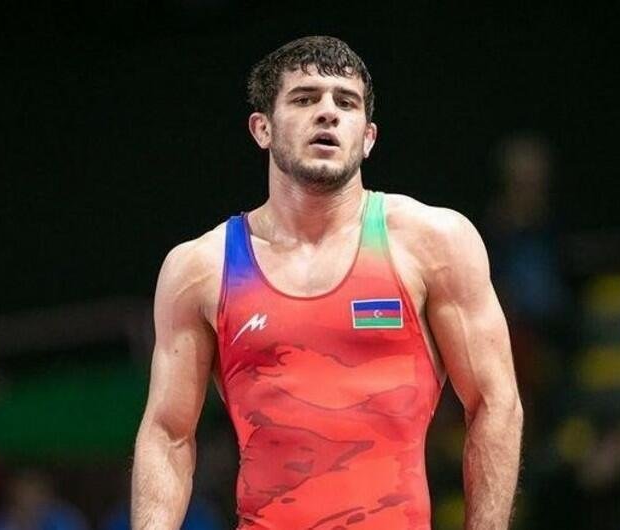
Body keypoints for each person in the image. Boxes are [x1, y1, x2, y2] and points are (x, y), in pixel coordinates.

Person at [131, 36, 523, 530]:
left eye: (347, 102)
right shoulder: (201, 268)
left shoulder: (433, 243)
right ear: (262, 128)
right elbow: (168, 433)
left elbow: (495, 402)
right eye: (304, 98)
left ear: (369, 137)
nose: (328, 113)